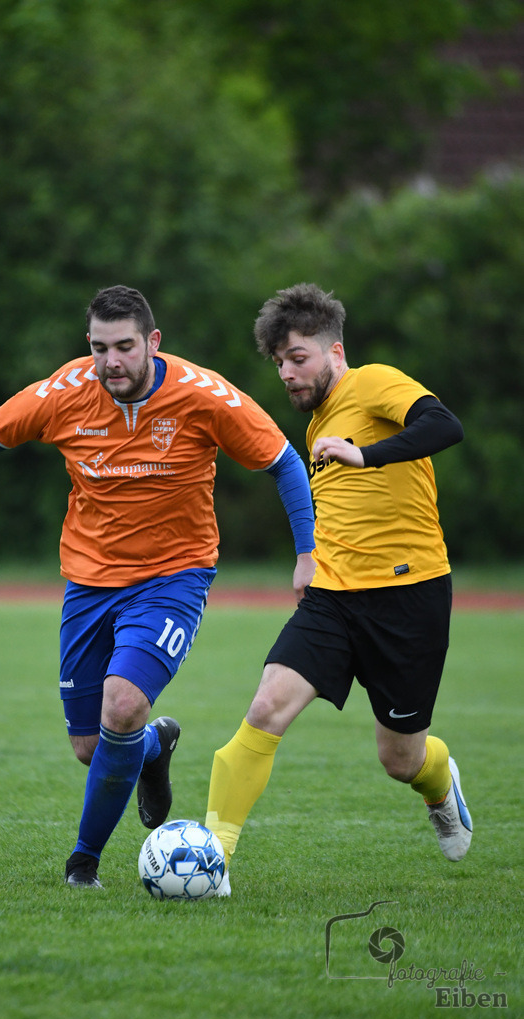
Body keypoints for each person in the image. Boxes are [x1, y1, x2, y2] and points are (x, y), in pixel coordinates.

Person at [0, 284, 315, 890]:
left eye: (123, 347)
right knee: (93, 747)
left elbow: (283, 461)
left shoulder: (204, 396)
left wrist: (306, 553)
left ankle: (82, 865)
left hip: (175, 575)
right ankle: (153, 747)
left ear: (153, 343)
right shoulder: (65, 393)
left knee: (121, 702)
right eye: (98, 347)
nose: (110, 361)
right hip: (88, 582)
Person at [205, 282, 472, 897]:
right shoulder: (316, 426)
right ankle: (212, 859)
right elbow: (346, 510)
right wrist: (311, 557)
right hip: (333, 597)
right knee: (266, 708)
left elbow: (444, 426)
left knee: (398, 758)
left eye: (298, 358)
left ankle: (439, 780)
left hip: (411, 598)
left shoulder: (374, 383)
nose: (288, 374)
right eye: (279, 364)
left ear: (335, 351)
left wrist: (366, 454)